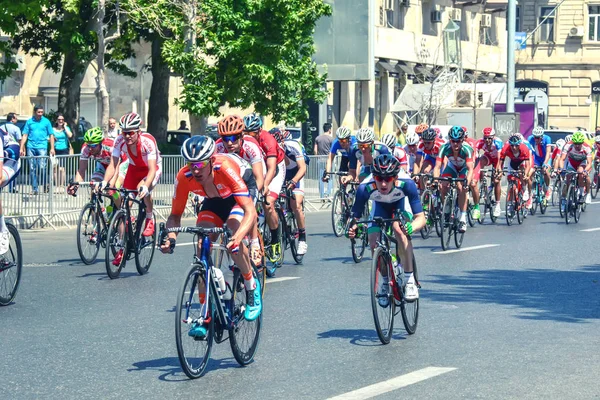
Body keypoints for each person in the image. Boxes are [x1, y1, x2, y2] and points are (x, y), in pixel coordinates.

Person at [160, 135, 262, 332]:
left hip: (239, 191)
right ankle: (206, 315)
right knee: (202, 248)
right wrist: (170, 238)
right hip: (214, 198)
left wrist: (238, 237)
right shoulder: (184, 177)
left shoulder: (225, 168)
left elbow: (250, 211)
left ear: (211, 160)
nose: (195, 169)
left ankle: (251, 286)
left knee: (233, 231)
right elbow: (175, 215)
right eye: (190, 164)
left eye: (200, 163)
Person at [347, 154, 425, 302]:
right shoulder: (364, 188)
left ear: (395, 178)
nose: (383, 184)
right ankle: (384, 281)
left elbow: (421, 218)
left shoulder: (406, 184)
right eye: (379, 179)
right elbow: (354, 219)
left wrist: (411, 227)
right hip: (380, 207)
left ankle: (409, 280)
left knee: (399, 230)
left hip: (400, 204)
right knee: (373, 242)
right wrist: (352, 229)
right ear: (374, 177)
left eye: (388, 179)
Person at [101, 112, 162, 266]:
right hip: (134, 169)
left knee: (142, 189)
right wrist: (104, 181)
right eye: (124, 132)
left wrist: (145, 186)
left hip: (151, 169)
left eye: (130, 133)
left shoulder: (148, 141)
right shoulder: (119, 141)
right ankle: (122, 247)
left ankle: (149, 218)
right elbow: (113, 165)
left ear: (138, 132)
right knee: (123, 208)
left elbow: (152, 170)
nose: (127, 136)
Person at [215, 115, 265, 265]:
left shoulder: (251, 146)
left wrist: (251, 196)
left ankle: (255, 242)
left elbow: (258, 178)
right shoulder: (217, 148)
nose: (229, 143)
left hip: (250, 180)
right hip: (231, 182)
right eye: (225, 138)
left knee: (249, 206)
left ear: (242, 135)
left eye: (234, 138)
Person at [243, 113, 286, 262]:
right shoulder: (242, 141)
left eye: (252, 133)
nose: (249, 136)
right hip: (257, 168)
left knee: (268, 204)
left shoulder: (267, 140)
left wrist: (265, 185)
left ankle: (275, 241)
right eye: (245, 133)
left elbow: (272, 168)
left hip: (275, 168)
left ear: (259, 130)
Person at [433, 126, 475, 233]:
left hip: (463, 168)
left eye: (458, 141)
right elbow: (437, 167)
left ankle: (462, 217)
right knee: (443, 185)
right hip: (452, 167)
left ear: (462, 140)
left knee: (461, 188)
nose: (455, 144)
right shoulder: (444, 147)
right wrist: (435, 180)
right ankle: (446, 210)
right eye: (453, 141)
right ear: (449, 140)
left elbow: (470, 169)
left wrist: (467, 183)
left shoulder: (467, 149)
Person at [273, 127, 308, 255]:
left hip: (295, 173)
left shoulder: (293, 146)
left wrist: (293, 182)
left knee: (296, 205)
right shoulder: (268, 149)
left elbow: (302, 168)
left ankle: (302, 238)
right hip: (280, 174)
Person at [20, 105, 55, 195]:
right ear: (35, 112)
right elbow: (25, 135)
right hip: (30, 146)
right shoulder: (29, 122)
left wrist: (52, 148)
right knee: (32, 168)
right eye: (38, 112)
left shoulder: (46, 121)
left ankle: (45, 184)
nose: (40, 114)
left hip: (42, 146)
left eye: (41, 112)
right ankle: (34, 188)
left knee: (42, 167)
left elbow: (51, 135)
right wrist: (21, 148)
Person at [497, 133, 532, 210]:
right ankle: (510, 202)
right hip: (512, 162)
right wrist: (500, 171)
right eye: (512, 145)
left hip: (522, 162)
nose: (514, 147)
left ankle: (524, 188)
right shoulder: (505, 148)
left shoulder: (524, 148)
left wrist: (526, 174)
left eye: (516, 145)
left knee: (521, 172)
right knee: (510, 179)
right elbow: (500, 162)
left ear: (519, 144)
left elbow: (528, 164)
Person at [557, 131, 592, 208]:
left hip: (582, 162)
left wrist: (585, 171)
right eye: (575, 143)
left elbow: (589, 163)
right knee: (568, 177)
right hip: (572, 163)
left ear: (582, 142)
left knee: (580, 173)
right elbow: (562, 159)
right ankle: (570, 193)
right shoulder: (568, 145)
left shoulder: (587, 148)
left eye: (579, 144)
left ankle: (581, 194)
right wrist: (562, 169)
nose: (576, 145)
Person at [473, 127, 503, 217]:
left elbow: (499, 158)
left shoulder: (498, 142)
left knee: (496, 180)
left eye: (489, 138)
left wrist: (497, 169)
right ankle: (483, 184)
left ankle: (498, 205)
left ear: (493, 137)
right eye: (485, 138)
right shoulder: (480, 142)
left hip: (497, 160)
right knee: (480, 161)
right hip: (488, 157)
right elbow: (475, 155)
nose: (487, 140)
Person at [528, 126, 553, 201]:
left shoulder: (547, 138)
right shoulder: (530, 139)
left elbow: (548, 152)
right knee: (531, 171)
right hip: (537, 158)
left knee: (546, 172)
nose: (536, 139)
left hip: (546, 158)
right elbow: (529, 152)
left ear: (542, 137)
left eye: (538, 138)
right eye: (535, 137)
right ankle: (532, 190)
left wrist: (545, 163)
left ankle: (548, 188)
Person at [51, 113, 74, 193]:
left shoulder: (66, 128)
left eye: (62, 120)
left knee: (62, 169)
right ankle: (57, 186)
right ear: (56, 120)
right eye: (59, 119)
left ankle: (61, 186)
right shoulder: (53, 129)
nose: (61, 121)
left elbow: (70, 135)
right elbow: (48, 138)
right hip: (55, 149)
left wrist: (65, 127)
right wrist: (52, 138)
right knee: (55, 169)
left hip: (64, 149)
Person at [0, 113, 21, 193]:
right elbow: (20, 140)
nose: (17, 119)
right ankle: (12, 188)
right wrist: (23, 149)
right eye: (16, 118)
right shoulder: (16, 128)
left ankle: (12, 188)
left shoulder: (1, 128)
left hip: (12, 156)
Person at [314, 122, 334, 200]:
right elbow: (333, 151)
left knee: (321, 178)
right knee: (330, 177)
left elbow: (315, 150)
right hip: (329, 160)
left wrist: (317, 157)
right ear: (329, 129)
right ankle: (328, 194)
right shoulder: (331, 139)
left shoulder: (318, 138)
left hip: (320, 159)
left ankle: (322, 196)